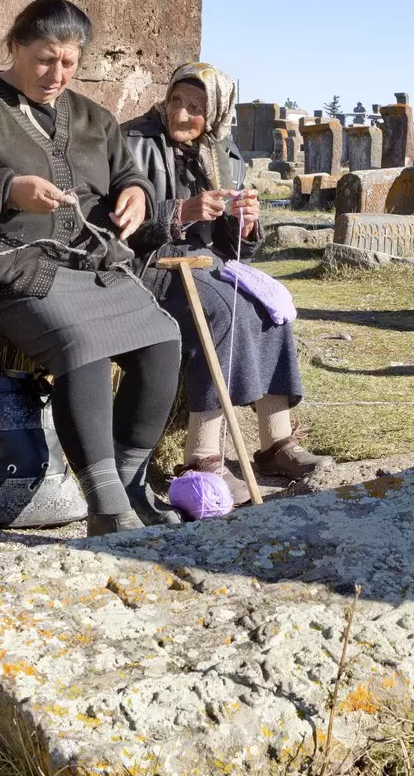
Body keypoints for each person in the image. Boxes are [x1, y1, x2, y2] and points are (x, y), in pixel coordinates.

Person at [0, 0, 183, 535]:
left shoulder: (92, 116)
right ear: (15, 46)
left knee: (163, 338)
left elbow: (126, 173)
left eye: (69, 62)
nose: (57, 73)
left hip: (88, 261)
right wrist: (9, 188)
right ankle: (107, 509)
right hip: (8, 262)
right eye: (45, 59)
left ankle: (129, 484)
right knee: (81, 344)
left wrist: (135, 193)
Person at [124, 63, 332, 499]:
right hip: (149, 264)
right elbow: (118, 230)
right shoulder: (133, 144)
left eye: (196, 107)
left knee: (270, 306)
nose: (181, 114)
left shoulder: (225, 155)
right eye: (175, 101)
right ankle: (203, 459)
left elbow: (235, 248)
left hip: (206, 263)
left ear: (216, 112)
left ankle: (276, 443)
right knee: (223, 310)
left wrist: (244, 224)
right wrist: (181, 212)